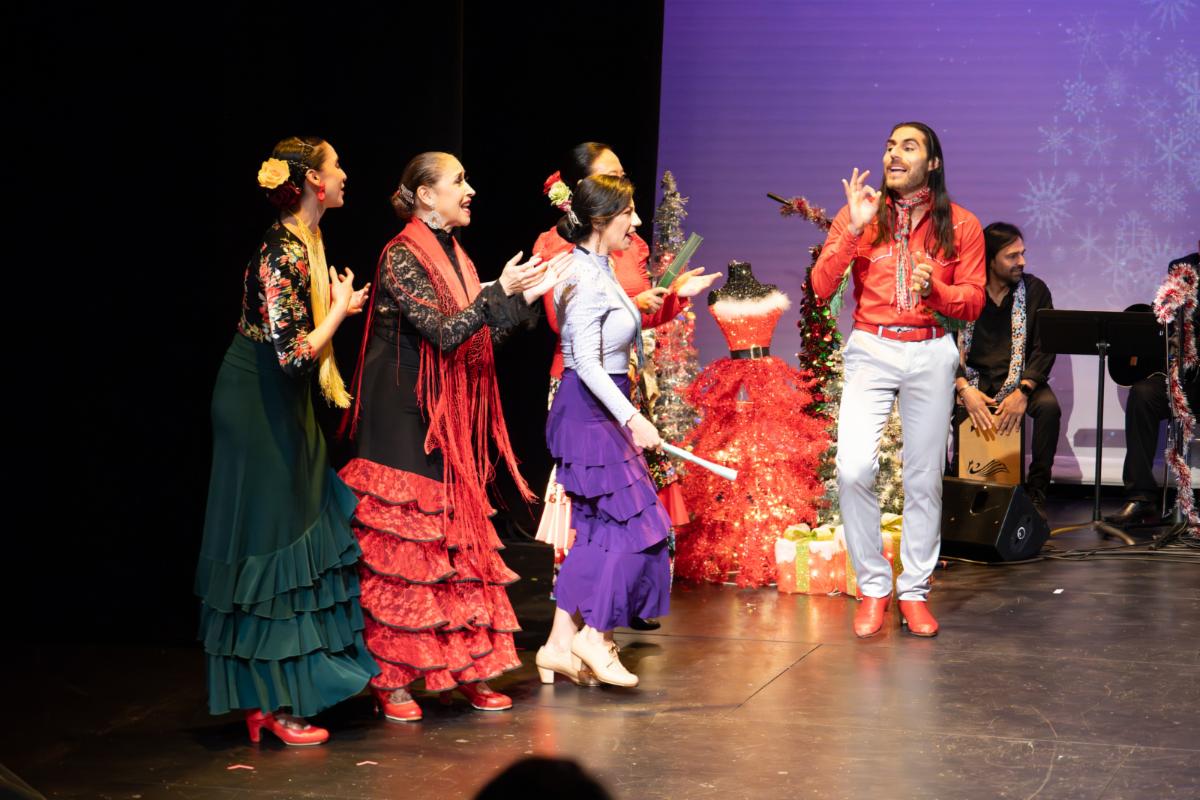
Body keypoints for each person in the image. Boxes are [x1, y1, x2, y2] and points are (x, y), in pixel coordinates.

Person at [339, 152, 569, 721]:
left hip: (446, 408)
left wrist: (520, 297)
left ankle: (466, 668)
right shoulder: (400, 255)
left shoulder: (456, 254)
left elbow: (479, 334)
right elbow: (443, 332)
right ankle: (393, 677)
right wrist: (497, 294)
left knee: (456, 541)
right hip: (402, 407)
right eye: (458, 181)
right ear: (425, 194)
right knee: (405, 544)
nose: (470, 190)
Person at [196, 136, 378, 746]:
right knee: (273, 543)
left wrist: (339, 307)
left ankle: (275, 697)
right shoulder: (283, 254)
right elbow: (295, 355)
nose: (344, 173)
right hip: (256, 402)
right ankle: (270, 702)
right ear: (314, 183)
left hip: (280, 401)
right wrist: (340, 311)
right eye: (336, 165)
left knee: (293, 531)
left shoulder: (308, 240)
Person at [811, 121, 985, 638]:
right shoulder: (861, 213)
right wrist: (851, 230)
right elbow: (821, 287)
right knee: (853, 470)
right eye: (890, 146)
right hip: (872, 346)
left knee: (924, 478)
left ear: (933, 163)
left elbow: (974, 300)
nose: (894, 154)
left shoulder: (962, 224)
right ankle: (872, 587)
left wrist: (937, 293)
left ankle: (913, 592)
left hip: (931, 349)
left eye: (908, 147)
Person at [533, 142, 716, 630]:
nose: (634, 218)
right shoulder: (564, 254)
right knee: (597, 510)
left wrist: (671, 298)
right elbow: (574, 334)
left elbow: (628, 320)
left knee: (620, 514)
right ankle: (583, 625)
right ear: (586, 193)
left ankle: (584, 627)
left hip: (621, 384)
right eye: (610, 178)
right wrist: (631, 416)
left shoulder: (617, 251)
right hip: (586, 392)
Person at [538, 174, 672, 687]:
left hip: (602, 407)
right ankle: (594, 636)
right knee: (641, 526)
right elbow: (586, 363)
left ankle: (557, 645)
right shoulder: (583, 275)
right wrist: (632, 418)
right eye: (628, 212)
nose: (635, 222)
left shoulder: (600, 267)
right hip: (591, 411)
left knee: (597, 532)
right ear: (599, 220)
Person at [953, 222, 1059, 515]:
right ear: (990, 260)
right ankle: (950, 485)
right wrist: (963, 388)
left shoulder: (1035, 290)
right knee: (935, 404)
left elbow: (1045, 347)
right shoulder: (965, 292)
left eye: (1022, 254)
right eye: (1012, 256)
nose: (1021, 262)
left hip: (1020, 380)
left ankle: (1036, 494)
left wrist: (1024, 391)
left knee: (1049, 408)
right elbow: (945, 346)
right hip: (971, 381)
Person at [1104, 247, 1200, 526]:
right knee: (1143, 394)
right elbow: (1164, 322)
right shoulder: (1185, 268)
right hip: (1186, 378)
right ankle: (1141, 497)